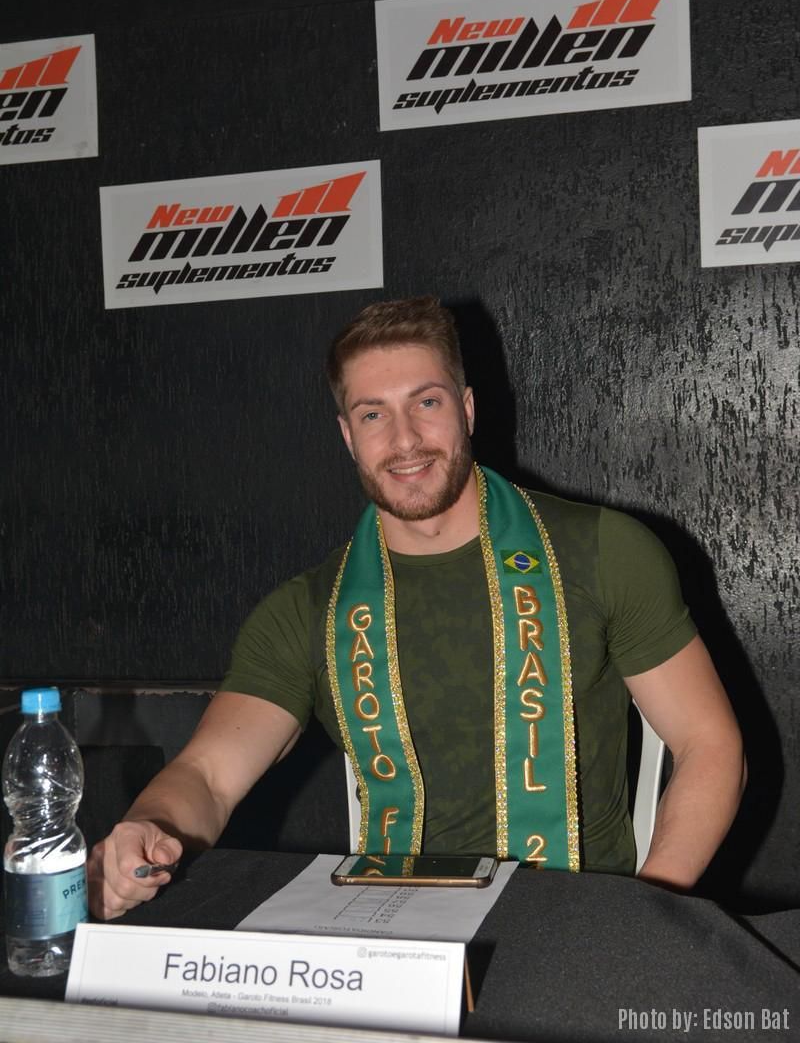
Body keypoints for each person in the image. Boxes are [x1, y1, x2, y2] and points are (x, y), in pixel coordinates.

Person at [88, 296, 746, 919]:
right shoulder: (305, 610)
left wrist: (648, 914)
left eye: (425, 402)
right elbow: (207, 775)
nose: (404, 440)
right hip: (389, 931)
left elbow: (709, 745)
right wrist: (149, 825)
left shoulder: (603, 551)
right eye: (373, 414)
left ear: (467, 409)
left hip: (573, 921)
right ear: (348, 436)